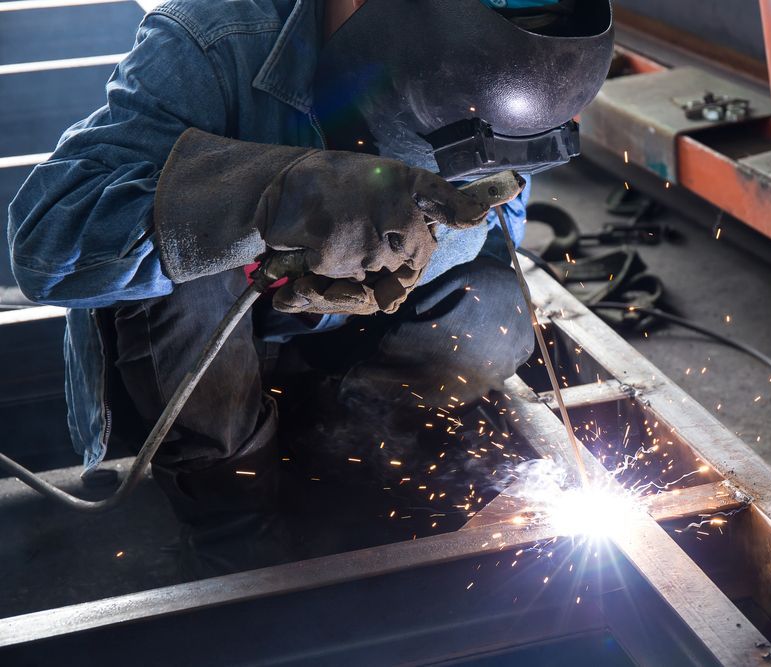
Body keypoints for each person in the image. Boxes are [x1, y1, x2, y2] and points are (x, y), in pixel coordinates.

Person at [7, 0, 613, 536]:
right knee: (188, 280)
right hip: (204, 365)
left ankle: (343, 456)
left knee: (494, 306)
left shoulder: (510, 74)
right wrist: (273, 200)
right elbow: (46, 248)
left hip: (343, 361)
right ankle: (233, 517)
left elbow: (492, 240)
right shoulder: (211, 40)